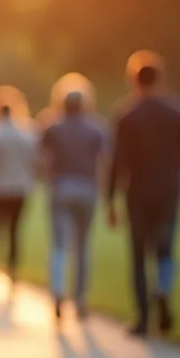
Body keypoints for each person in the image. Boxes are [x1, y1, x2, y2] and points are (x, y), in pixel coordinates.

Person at [107, 50, 180, 337]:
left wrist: (109, 199)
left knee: (138, 255)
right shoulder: (177, 112)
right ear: (159, 79)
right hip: (168, 189)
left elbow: (117, 162)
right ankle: (163, 290)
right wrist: (172, 165)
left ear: (134, 80)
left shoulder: (127, 115)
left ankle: (143, 318)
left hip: (138, 192)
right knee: (166, 249)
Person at [40, 77, 108, 320]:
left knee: (59, 245)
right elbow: (103, 163)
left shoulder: (53, 127)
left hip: (61, 187)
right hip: (87, 189)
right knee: (83, 247)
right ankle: (80, 299)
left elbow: (45, 161)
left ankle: (58, 292)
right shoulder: (96, 129)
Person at [0, 86, 37, 279]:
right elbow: (33, 162)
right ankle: (12, 271)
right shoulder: (27, 134)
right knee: (14, 232)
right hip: (19, 188)